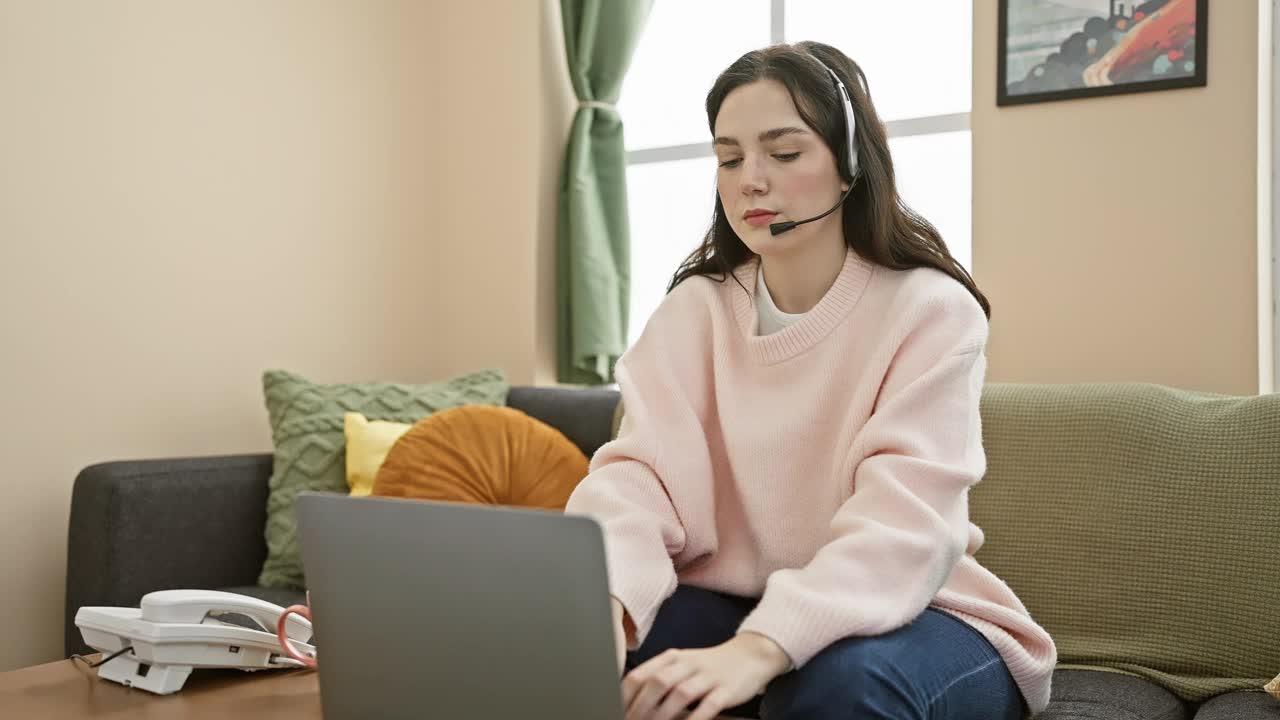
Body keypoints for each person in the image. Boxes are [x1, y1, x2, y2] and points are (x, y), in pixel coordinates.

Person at [564, 41, 1057, 720]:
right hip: (739, 597)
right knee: (616, 666)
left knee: (838, 686)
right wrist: (604, 609)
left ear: (849, 165)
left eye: (784, 153)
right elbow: (635, 482)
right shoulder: (693, 313)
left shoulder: (931, 312)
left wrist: (763, 647)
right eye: (730, 158)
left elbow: (902, 527)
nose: (749, 180)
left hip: (926, 609)